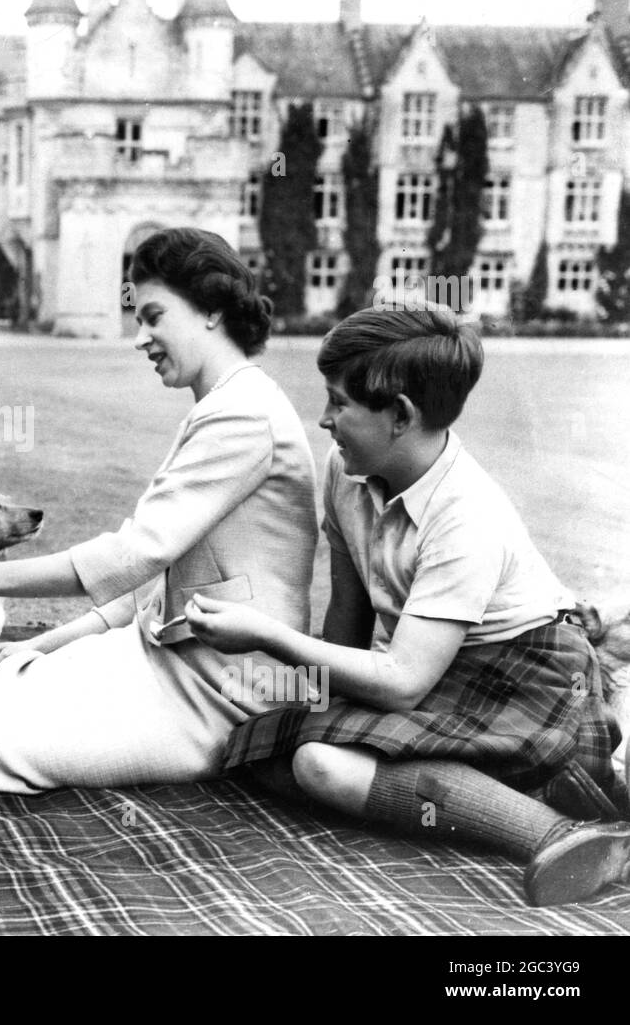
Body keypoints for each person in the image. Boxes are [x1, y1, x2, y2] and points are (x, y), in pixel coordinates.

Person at [189, 304, 629, 907]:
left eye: (339, 403)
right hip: (436, 673)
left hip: (531, 683)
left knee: (320, 764)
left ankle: (565, 834)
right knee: (257, 748)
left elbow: (400, 685)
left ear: (400, 416)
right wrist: (313, 696)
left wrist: (267, 636)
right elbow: (350, 611)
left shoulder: (467, 516)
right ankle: (484, 797)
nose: (323, 420)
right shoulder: (347, 468)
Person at [0, 227, 319, 792]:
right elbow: (148, 585)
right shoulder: (222, 405)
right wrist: (38, 645)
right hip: (166, 660)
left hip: (225, 694)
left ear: (211, 310)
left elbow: (134, 555)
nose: (139, 338)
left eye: (154, 317)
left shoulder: (243, 416)